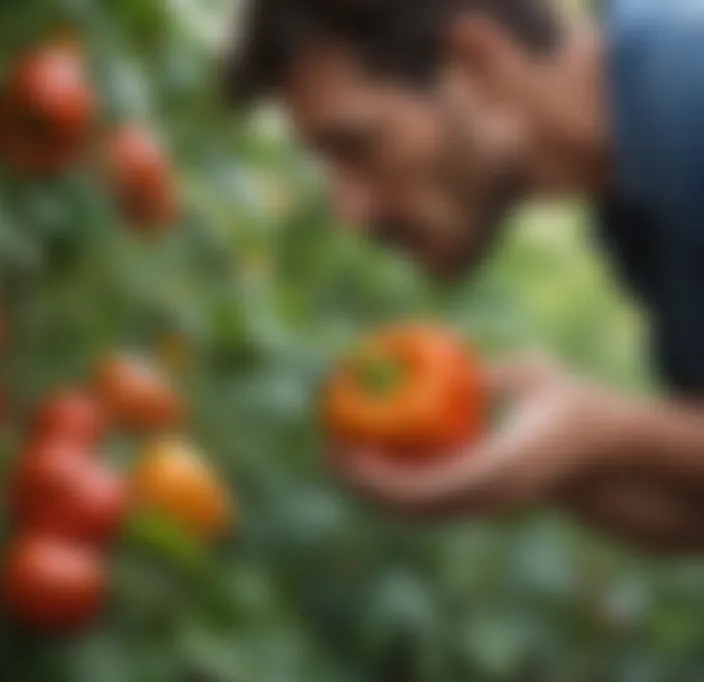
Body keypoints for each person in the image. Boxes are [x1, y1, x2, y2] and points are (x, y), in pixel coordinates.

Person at [224, 0, 704, 553]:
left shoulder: (691, 82)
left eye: (358, 145)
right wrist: (559, 461)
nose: (350, 212)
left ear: (475, 59)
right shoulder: (635, 188)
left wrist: (608, 431)